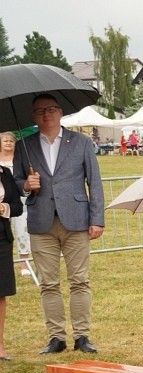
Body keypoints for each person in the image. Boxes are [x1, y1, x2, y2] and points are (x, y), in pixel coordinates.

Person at [14, 94, 105, 354]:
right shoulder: (24, 146)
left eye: (51, 109)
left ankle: (82, 336)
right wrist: (25, 185)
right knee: (48, 283)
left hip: (77, 220)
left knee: (79, 280)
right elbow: (17, 180)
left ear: (61, 111)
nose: (46, 114)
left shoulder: (81, 143)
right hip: (41, 221)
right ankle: (56, 337)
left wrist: (97, 219)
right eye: (40, 110)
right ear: (33, 116)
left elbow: (94, 182)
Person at [0, 158, 23, 360]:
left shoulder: (5, 174)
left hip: (2, 239)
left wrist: (4, 209)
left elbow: (18, 207)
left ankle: (0, 346)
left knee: (1, 293)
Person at [0, 132, 31, 276]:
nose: (8, 143)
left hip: (19, 200)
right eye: (5, 141)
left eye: (11, 141)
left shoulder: (20, 159)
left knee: (22, 230)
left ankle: (24, 262)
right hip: (2, 201)